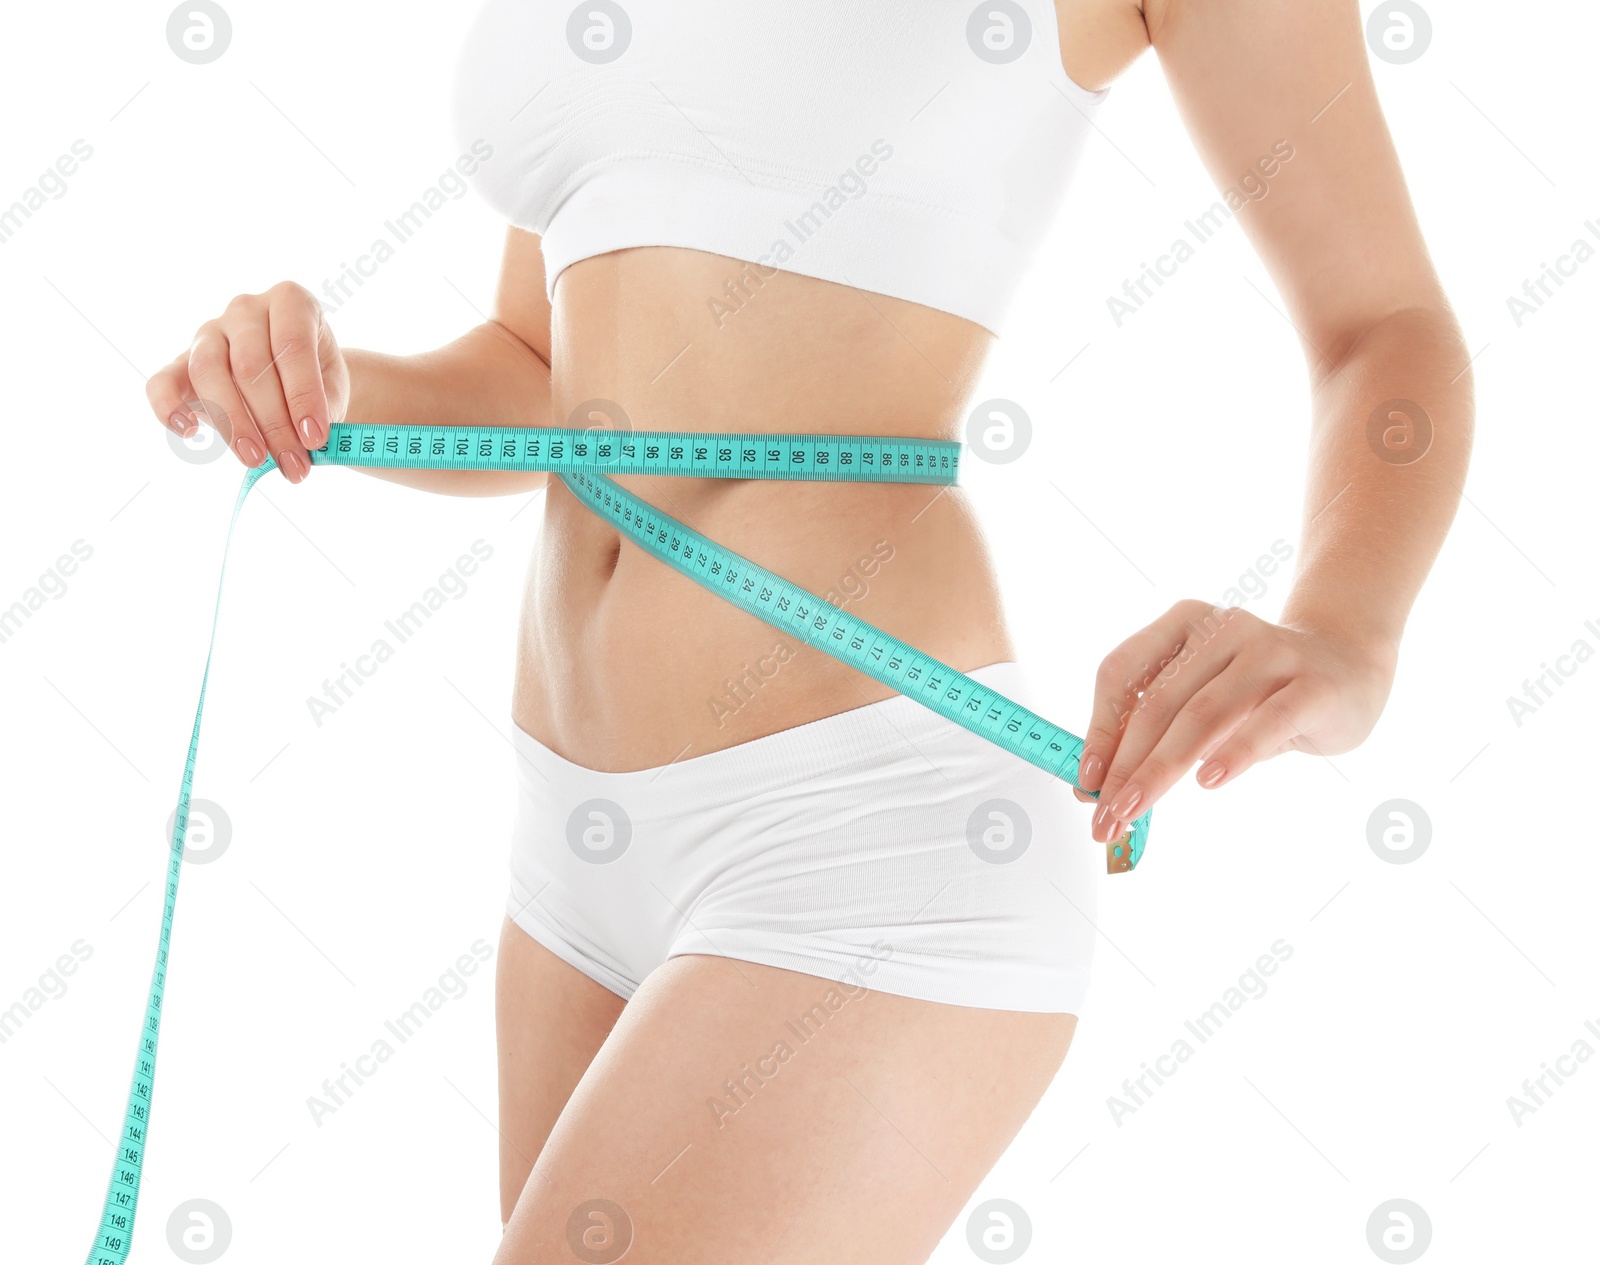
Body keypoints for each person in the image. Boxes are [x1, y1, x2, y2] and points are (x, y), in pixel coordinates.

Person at [143, 1, 1471, 1260]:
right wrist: (306, 380)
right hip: (568, 840)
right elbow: (544, 369)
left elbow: (1384, 325)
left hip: (862, 830)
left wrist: (1350, 630)